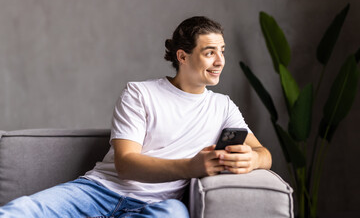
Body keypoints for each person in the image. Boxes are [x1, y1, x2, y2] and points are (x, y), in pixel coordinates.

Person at [0, 16, 272, 218]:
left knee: (175, 215)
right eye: (209, 52)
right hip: (99, 191)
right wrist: (192, 166)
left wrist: (253, 159)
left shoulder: (222, 107)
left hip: (159, 205)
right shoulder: (140, 93)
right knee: (19, 212)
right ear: (183, 56)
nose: (220, 61)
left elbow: (263, 153)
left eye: (222, 51)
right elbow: (126, 165)